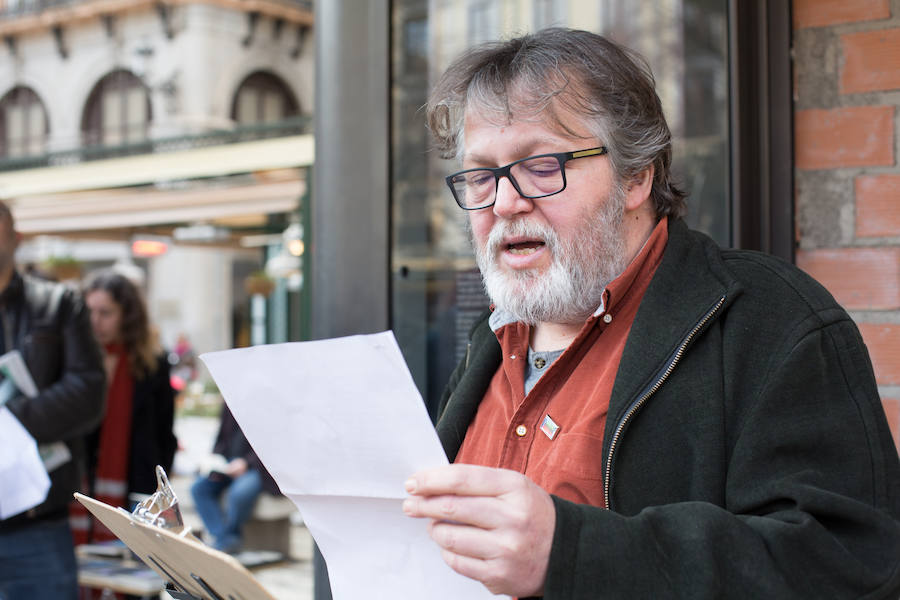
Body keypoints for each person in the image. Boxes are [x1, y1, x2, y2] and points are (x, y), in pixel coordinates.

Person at [401, 28, 900, 599]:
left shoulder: (771, 320)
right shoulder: (490, 339)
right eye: (482, 175)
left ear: (637, 175)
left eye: (542, 166)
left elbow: (850, 566)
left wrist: (574, 552)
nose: (506, 201)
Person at [0, 201, 106, 600]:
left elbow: (88, 392)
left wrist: (9, 420)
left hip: (37, 523)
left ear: (15, 238)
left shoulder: (58, 304)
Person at [78, 269, 177, 543]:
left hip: (136, 489)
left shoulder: (152, 363)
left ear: (127, 315)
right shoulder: (75, 361)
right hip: (81, 488)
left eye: (105, 313)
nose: (95, 321)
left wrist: (157, 492)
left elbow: (165, 431)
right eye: (90, 312)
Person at [191, 403, 279, 553]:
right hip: (228, 463)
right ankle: (224, 538)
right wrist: (213, 463)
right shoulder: (228, 402)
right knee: (199, 488)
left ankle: (228, 538)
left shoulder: (267, 405)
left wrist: (246, 463)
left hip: (259, 468)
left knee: (239, 493)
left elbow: (273, 443)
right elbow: (221, 440)